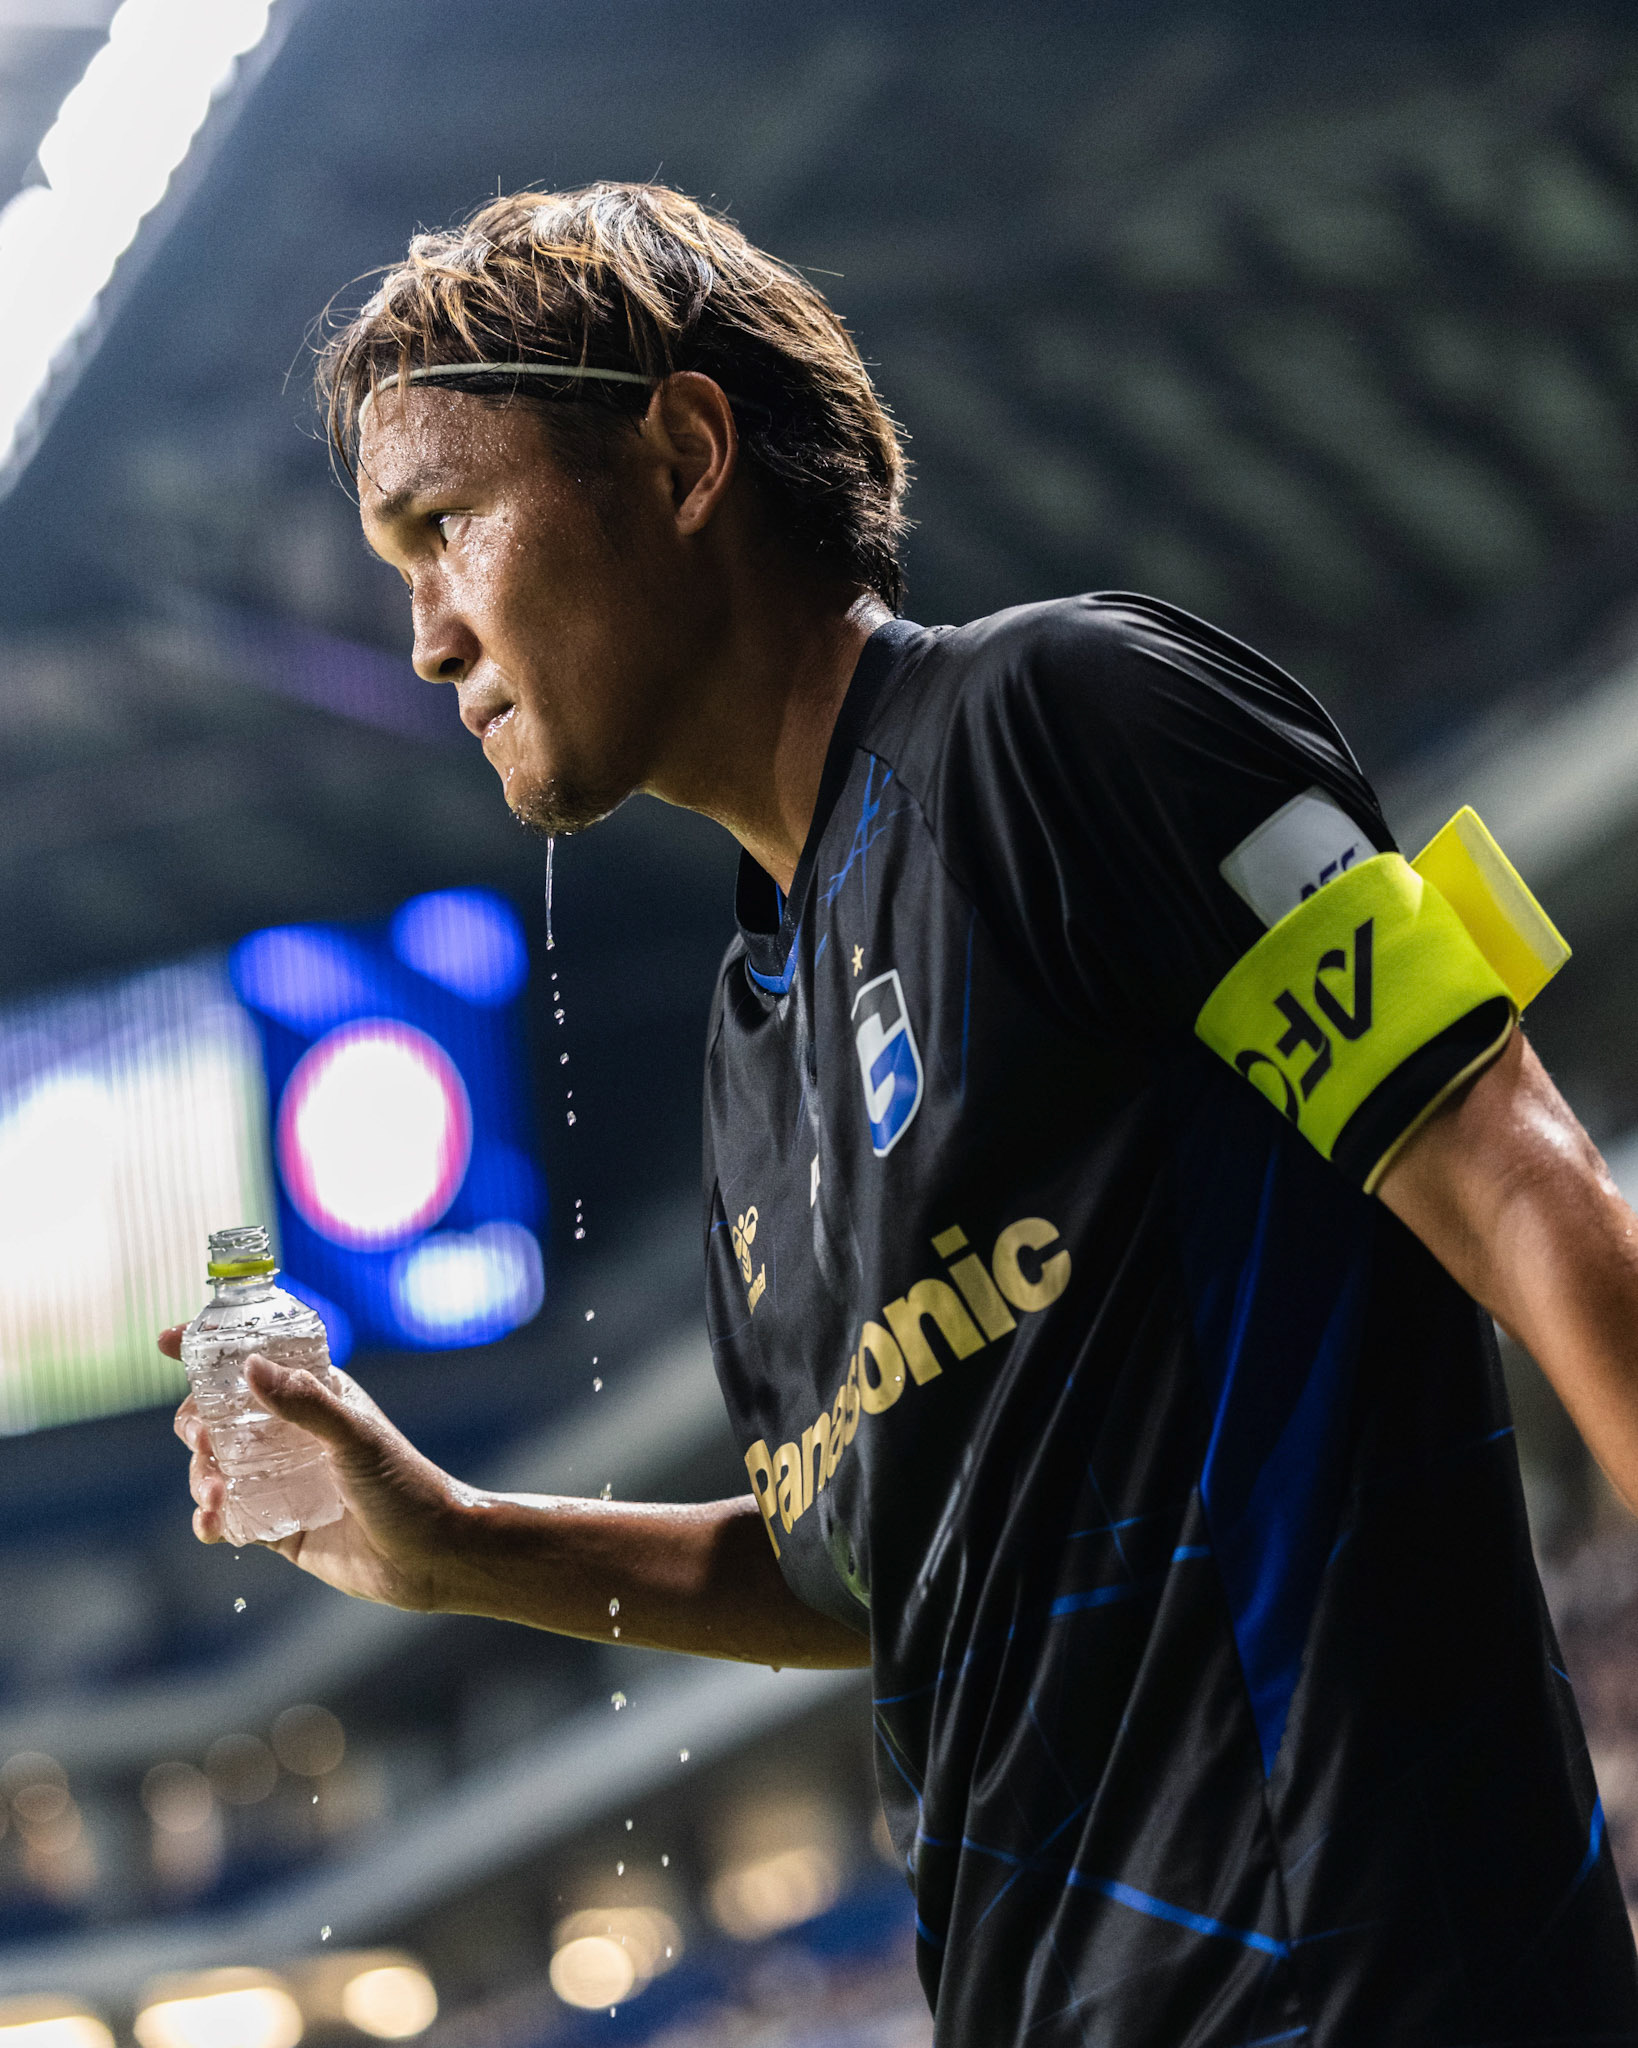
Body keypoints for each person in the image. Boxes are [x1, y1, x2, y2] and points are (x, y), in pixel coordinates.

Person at [163, 183, 1638, 2044]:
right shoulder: (750, 1031)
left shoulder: (1070, 723)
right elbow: (853, 1568)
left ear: (685, 451)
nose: (428, 639)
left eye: (446, 527)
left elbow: (1507, 1166)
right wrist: (457, 1541)